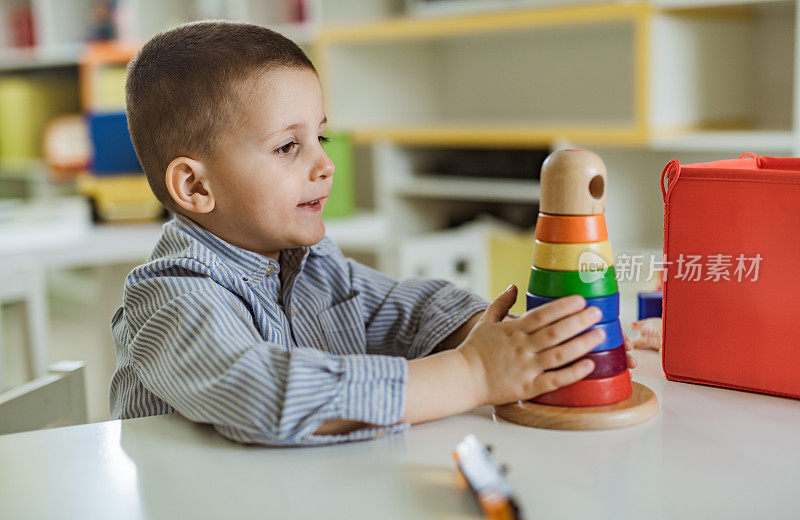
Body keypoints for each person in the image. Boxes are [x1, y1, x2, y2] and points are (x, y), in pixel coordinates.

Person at [110, 21, 634, 445]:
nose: (326, 165)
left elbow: (406, 311)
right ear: (195, 185)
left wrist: (528, 344)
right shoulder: (170, 297)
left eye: (321, 136)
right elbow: (268, 393)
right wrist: (473, 373)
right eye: (287, 147)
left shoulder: (310, 262)